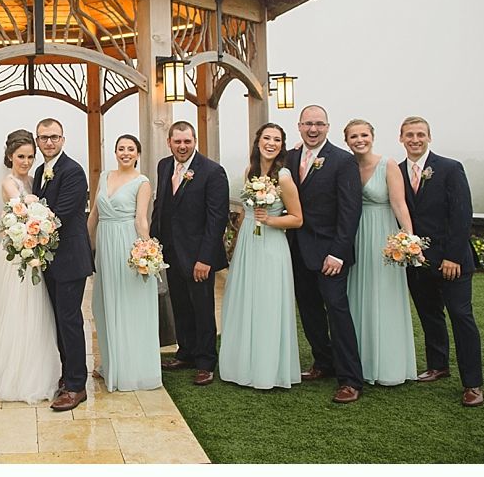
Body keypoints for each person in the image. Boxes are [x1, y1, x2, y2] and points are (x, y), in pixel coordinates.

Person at [399, 116, 484, 406]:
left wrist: (452, 256)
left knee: (461, 317)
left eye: (420, 134)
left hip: (452, 261)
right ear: (401, 139)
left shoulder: (450, 168)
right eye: (409, 134)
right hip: (417, 261)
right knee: (429, 314)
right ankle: (438, 365)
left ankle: (473, 384)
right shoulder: (397, 172)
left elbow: (462, 215)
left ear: (429, 137)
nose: (415, 139)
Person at [286, 105, 364, 403]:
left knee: (337, 311)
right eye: (308, 124)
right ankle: (323, 362)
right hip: (297, 250)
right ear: (299, 126)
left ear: (328, 127)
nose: (313, 129)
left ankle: (350, 379)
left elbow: (350, 211)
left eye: (319, 124)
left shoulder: (343, 161)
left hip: (330, 253)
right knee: (308, 310)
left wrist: (338, 253)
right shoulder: (290, 157)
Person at [0, 129, 61, 403]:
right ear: (10, 156)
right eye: (20, 156)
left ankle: (35, 372)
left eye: (30, 156)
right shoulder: (8, 183)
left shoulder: (36, 180)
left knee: (34, 314)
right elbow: (20, 208)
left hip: (32, 253)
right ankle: (9, 377)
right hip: (13, 257)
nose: (25, 161)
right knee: (13, 313)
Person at [219, 123, 304, 389]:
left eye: (276, 139)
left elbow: (298, 219)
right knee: (246, 301)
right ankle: (243, 365)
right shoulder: (249, 172)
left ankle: (268, 369)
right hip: (247, 244)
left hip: (271, 245)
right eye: (266, 138)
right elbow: (244, 211)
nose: (271, 143)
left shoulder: (285, 177)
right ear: (257, 142)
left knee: (268, 303)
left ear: (282, 145)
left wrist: (269, 220)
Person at [151, 120, 230, 387]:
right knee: (180, 305)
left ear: (195, 141)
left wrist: (205, 259)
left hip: (198, 256)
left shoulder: (212, 171)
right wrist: (153, 242)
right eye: (177, 141)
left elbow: (216, 219)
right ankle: (185, 352)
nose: (182, 146)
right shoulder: (164, 166)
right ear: (169, 142)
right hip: (171, 252)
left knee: (202, 308)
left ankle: (206, 361)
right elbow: (160, 205)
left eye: (187, 141)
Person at [344, 119, 417, 386]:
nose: (359, 140)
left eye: (364, 135)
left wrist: (409, 240)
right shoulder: (347, 165)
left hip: (382, 237)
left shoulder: (388, 165)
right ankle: (359, 362)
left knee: (383, 296)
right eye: (354, 136)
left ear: (372, 137)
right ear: (347, 141)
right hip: (356, 236)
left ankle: (389, 365)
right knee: (357, 296)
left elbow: (400, 205)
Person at [88, 134, 160, 392]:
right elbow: (94, 215)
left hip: (127, 244)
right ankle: (111, 363)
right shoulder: (105, 176)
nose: (126, 153)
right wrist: (88, 246)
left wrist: (148, 250)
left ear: (138, 153)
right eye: (121, 148)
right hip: (105, 245)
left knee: (128, 304)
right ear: (115, 152)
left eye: (131, 149)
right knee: (103, 304)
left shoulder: (142, 182)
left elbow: (141, 219)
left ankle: (132, 368)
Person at [33, 118, 94, 411]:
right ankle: (66, 374)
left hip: (70, 259)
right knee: (58, 320)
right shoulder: (39, 172)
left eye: (54, 137)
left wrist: (28, 227)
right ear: (37, 140)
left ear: (63, 139)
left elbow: (62, 214)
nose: (49, 142)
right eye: (43, 138)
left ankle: (76, 385)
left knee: (70, 320)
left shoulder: (73, 171)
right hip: (49, 259)